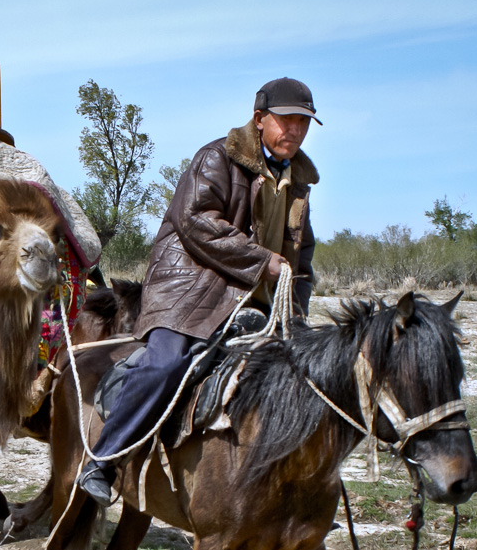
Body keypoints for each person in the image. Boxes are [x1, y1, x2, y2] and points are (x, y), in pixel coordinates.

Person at [76, 77, 322, 505]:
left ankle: (292, 496)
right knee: (167, 364)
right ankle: (103, 458)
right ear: (260, 119)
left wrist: (295, 312)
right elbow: (196, 221)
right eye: (287, 121)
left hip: (251, 297)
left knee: (302, 378)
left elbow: (302, 258)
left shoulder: (296, 180)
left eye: (303, 122)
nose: (295, 130)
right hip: (190, 290)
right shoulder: (217, 158)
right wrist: (263, 261)